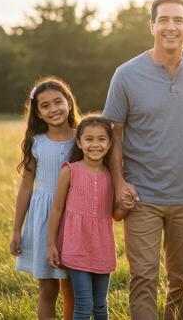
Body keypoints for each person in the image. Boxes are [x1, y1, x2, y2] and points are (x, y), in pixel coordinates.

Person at [102, 0, 183, 320]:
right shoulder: (126, 75)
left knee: (182, 280)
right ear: (152, 25)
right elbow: (114, 134)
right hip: (142, 197)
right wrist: (121, 182)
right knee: (144, 278)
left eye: (178, 20)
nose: (171, 26)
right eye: (163, 19)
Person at [10, 76, 79, 320]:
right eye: (45, 105)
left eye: (58, 102)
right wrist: (17, 230)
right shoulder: (35, 142)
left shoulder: (83, 138)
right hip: (42, 218)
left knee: (72, 287)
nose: (53, 109)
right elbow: (26, 186)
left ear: (69, 103)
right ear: (38, 113)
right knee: (48, 289)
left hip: (74, 218)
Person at [47, 115, 126, 320]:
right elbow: (56, 209)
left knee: (101, 304)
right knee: (84, 303)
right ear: (79, 143)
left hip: (102, 246)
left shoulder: (112, 174)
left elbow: (115, 216)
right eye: (89, 139)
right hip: (76, 246)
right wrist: (51, 244)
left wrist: (125, 207)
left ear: (109, 144)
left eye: (101, 139)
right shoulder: (70, 171)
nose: (95, 144)